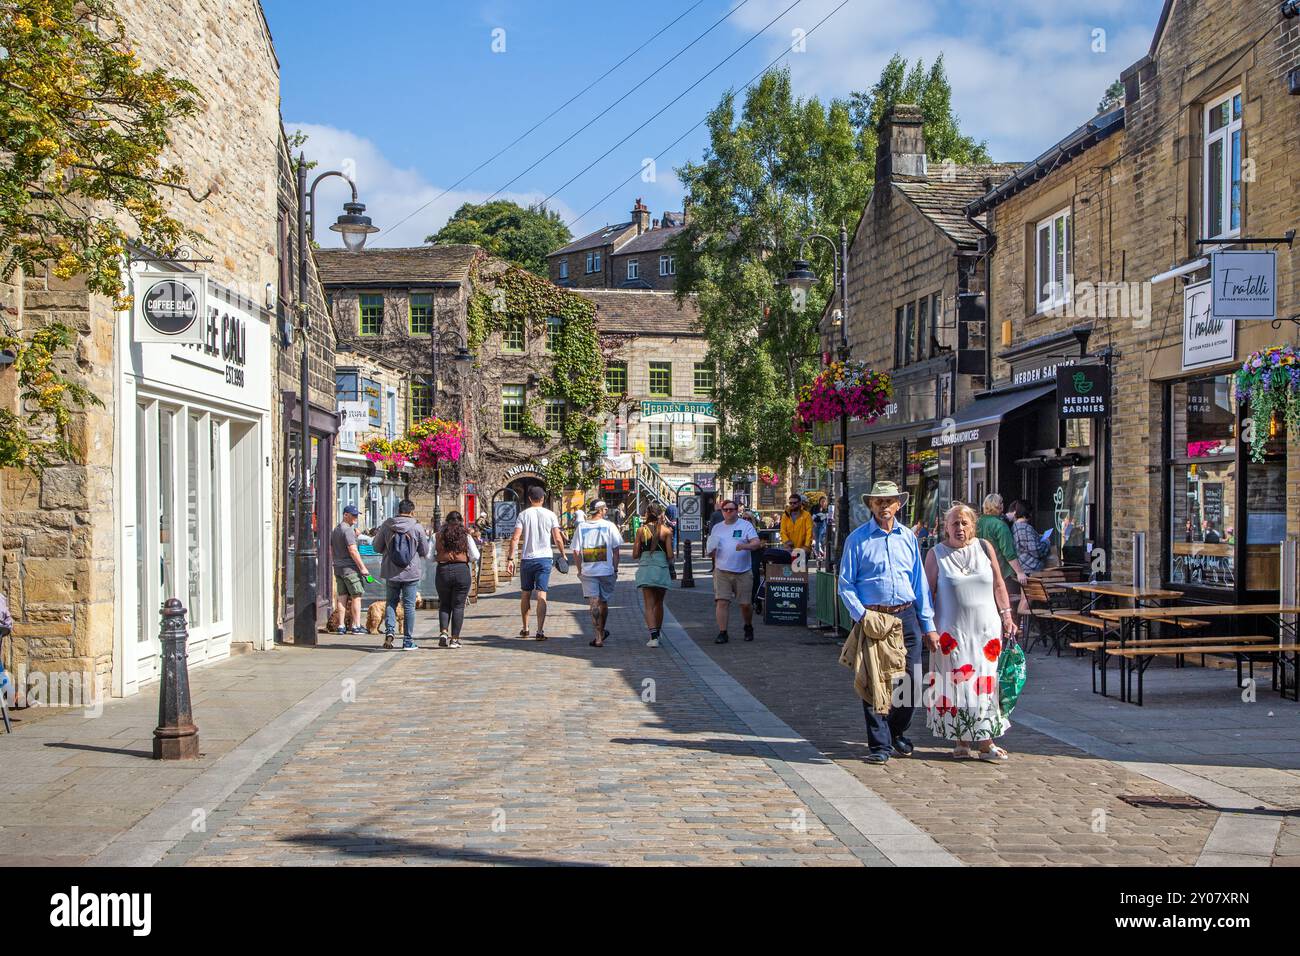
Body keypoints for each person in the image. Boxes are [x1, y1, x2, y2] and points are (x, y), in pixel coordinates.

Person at [837, 481, 939, 765]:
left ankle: (894, 731)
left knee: (913, 681)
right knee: (874, 683)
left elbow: (919, 583)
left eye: (890, 501)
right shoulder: (857, 539)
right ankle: (879, 746)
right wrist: (862, 616)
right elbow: (846, 584)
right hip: (874, 617)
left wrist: (928, 624)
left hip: (906, 615)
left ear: (898, 505)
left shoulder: (907, 537)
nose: (884, 507)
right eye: (879, 502)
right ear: (871, 505)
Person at [924, 503, 1018, 760]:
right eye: (954, 523)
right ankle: (961, 740)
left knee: (986, 684)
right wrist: (927, 627)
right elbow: (927, 593)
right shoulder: (936, 554)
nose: (960, 528)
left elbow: (999, 583)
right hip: (952, 633)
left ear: (973, 526)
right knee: (957, 685)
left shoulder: (985, 548)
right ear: (945, 527)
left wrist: (1007, 615)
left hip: (986, 631)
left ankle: (986, 742)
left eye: (965, 523)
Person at [505, 485, 566, 641]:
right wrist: (563, 554)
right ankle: (540, 630)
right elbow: (558, 538)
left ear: (530, 499)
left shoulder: (523, 515)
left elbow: (515, 538)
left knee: (525, 593)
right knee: (541, 594)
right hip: (544, 558)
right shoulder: (551, 515)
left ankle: (525, 628)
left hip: (527, 558)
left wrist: (510, 559)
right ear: (543, 499)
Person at [373, 499, 430, 650]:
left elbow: (376, 547)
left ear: (398, 510)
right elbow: (424, 551)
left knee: (391, 602)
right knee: (409, 606)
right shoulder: (417, 527)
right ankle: (407, 640)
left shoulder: (387, 525)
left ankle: (390, 631)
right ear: (412, 512)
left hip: (391, 571)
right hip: (410, 572)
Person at [705, 499, 763, 644]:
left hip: (743, 571)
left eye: (731, 509)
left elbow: (756, 543)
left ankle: (748, 626)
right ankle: (723, 632)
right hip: (721, 571)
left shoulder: (745, 525)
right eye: (725, 510)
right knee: (722, 602)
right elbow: (712, 548)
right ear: (722, 512)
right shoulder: (717, 527)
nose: (728, 512)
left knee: (745, 604)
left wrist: (745, 546)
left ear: (737, 511)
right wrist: (710, 553)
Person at [572, 500, 622, 647]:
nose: (606, 511)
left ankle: (598, 637)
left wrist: (580, 569)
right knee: (604, 602)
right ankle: (602, 630)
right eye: (605, 509)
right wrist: (615, 568)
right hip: (606, 570)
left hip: (588, 570)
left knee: (593, 603)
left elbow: (575, 551)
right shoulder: (609, 526)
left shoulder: (582, 527)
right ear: (599, 510)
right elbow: (616, 550)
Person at [433, 511, 479, 649]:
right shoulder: (466, 536)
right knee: (458, 606)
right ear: (461, 521)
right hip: (461, 570)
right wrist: (465, 558)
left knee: (444, 603)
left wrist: (439, 557)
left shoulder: (437, 536)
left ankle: (443, 632)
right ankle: (454, 639)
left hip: (443, 571)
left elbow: (429, 555)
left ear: (446, 521)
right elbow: (475, 555)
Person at [633, 503, 674, 647]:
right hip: (661, 568)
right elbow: (670, 554)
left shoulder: (641, 531)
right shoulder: (667, 531)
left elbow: (635, 554)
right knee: (659, 603)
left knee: (648, 605)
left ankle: (653, 636)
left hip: (646, 568)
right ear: (660, 514)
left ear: (647, 514)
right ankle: (659, 631)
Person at [976, 494, 1026, 609]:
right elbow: (1008, 553)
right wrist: (1019, 572)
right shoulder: (1000, 526)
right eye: (1002, 503)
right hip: (1001, 573)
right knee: (1006, 607)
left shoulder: (977, 523)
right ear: (999, 506)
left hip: (980, 572)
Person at [330, 505, 372, 635]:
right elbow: (353, 550)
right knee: (356, 596)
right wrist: (363, 568)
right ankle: (356, 626)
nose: (355, 518)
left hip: (338, 568)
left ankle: (341, 626)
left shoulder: (336, 529)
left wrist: (335, 562)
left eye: (356, 515)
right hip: (350, 569)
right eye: (353, 515)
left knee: (342, 597)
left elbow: (331, 548)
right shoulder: (347, 530)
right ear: (345, 515)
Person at [1007, 499, 1049, 613]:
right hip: (1030, 568)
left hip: (1022, 567)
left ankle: (1021, 626)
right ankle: (1021, 626)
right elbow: (1035, 550)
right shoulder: (1026, 528)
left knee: (1025, 598)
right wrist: (1045, 542)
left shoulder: (1015, 527)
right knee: (1027, 599)